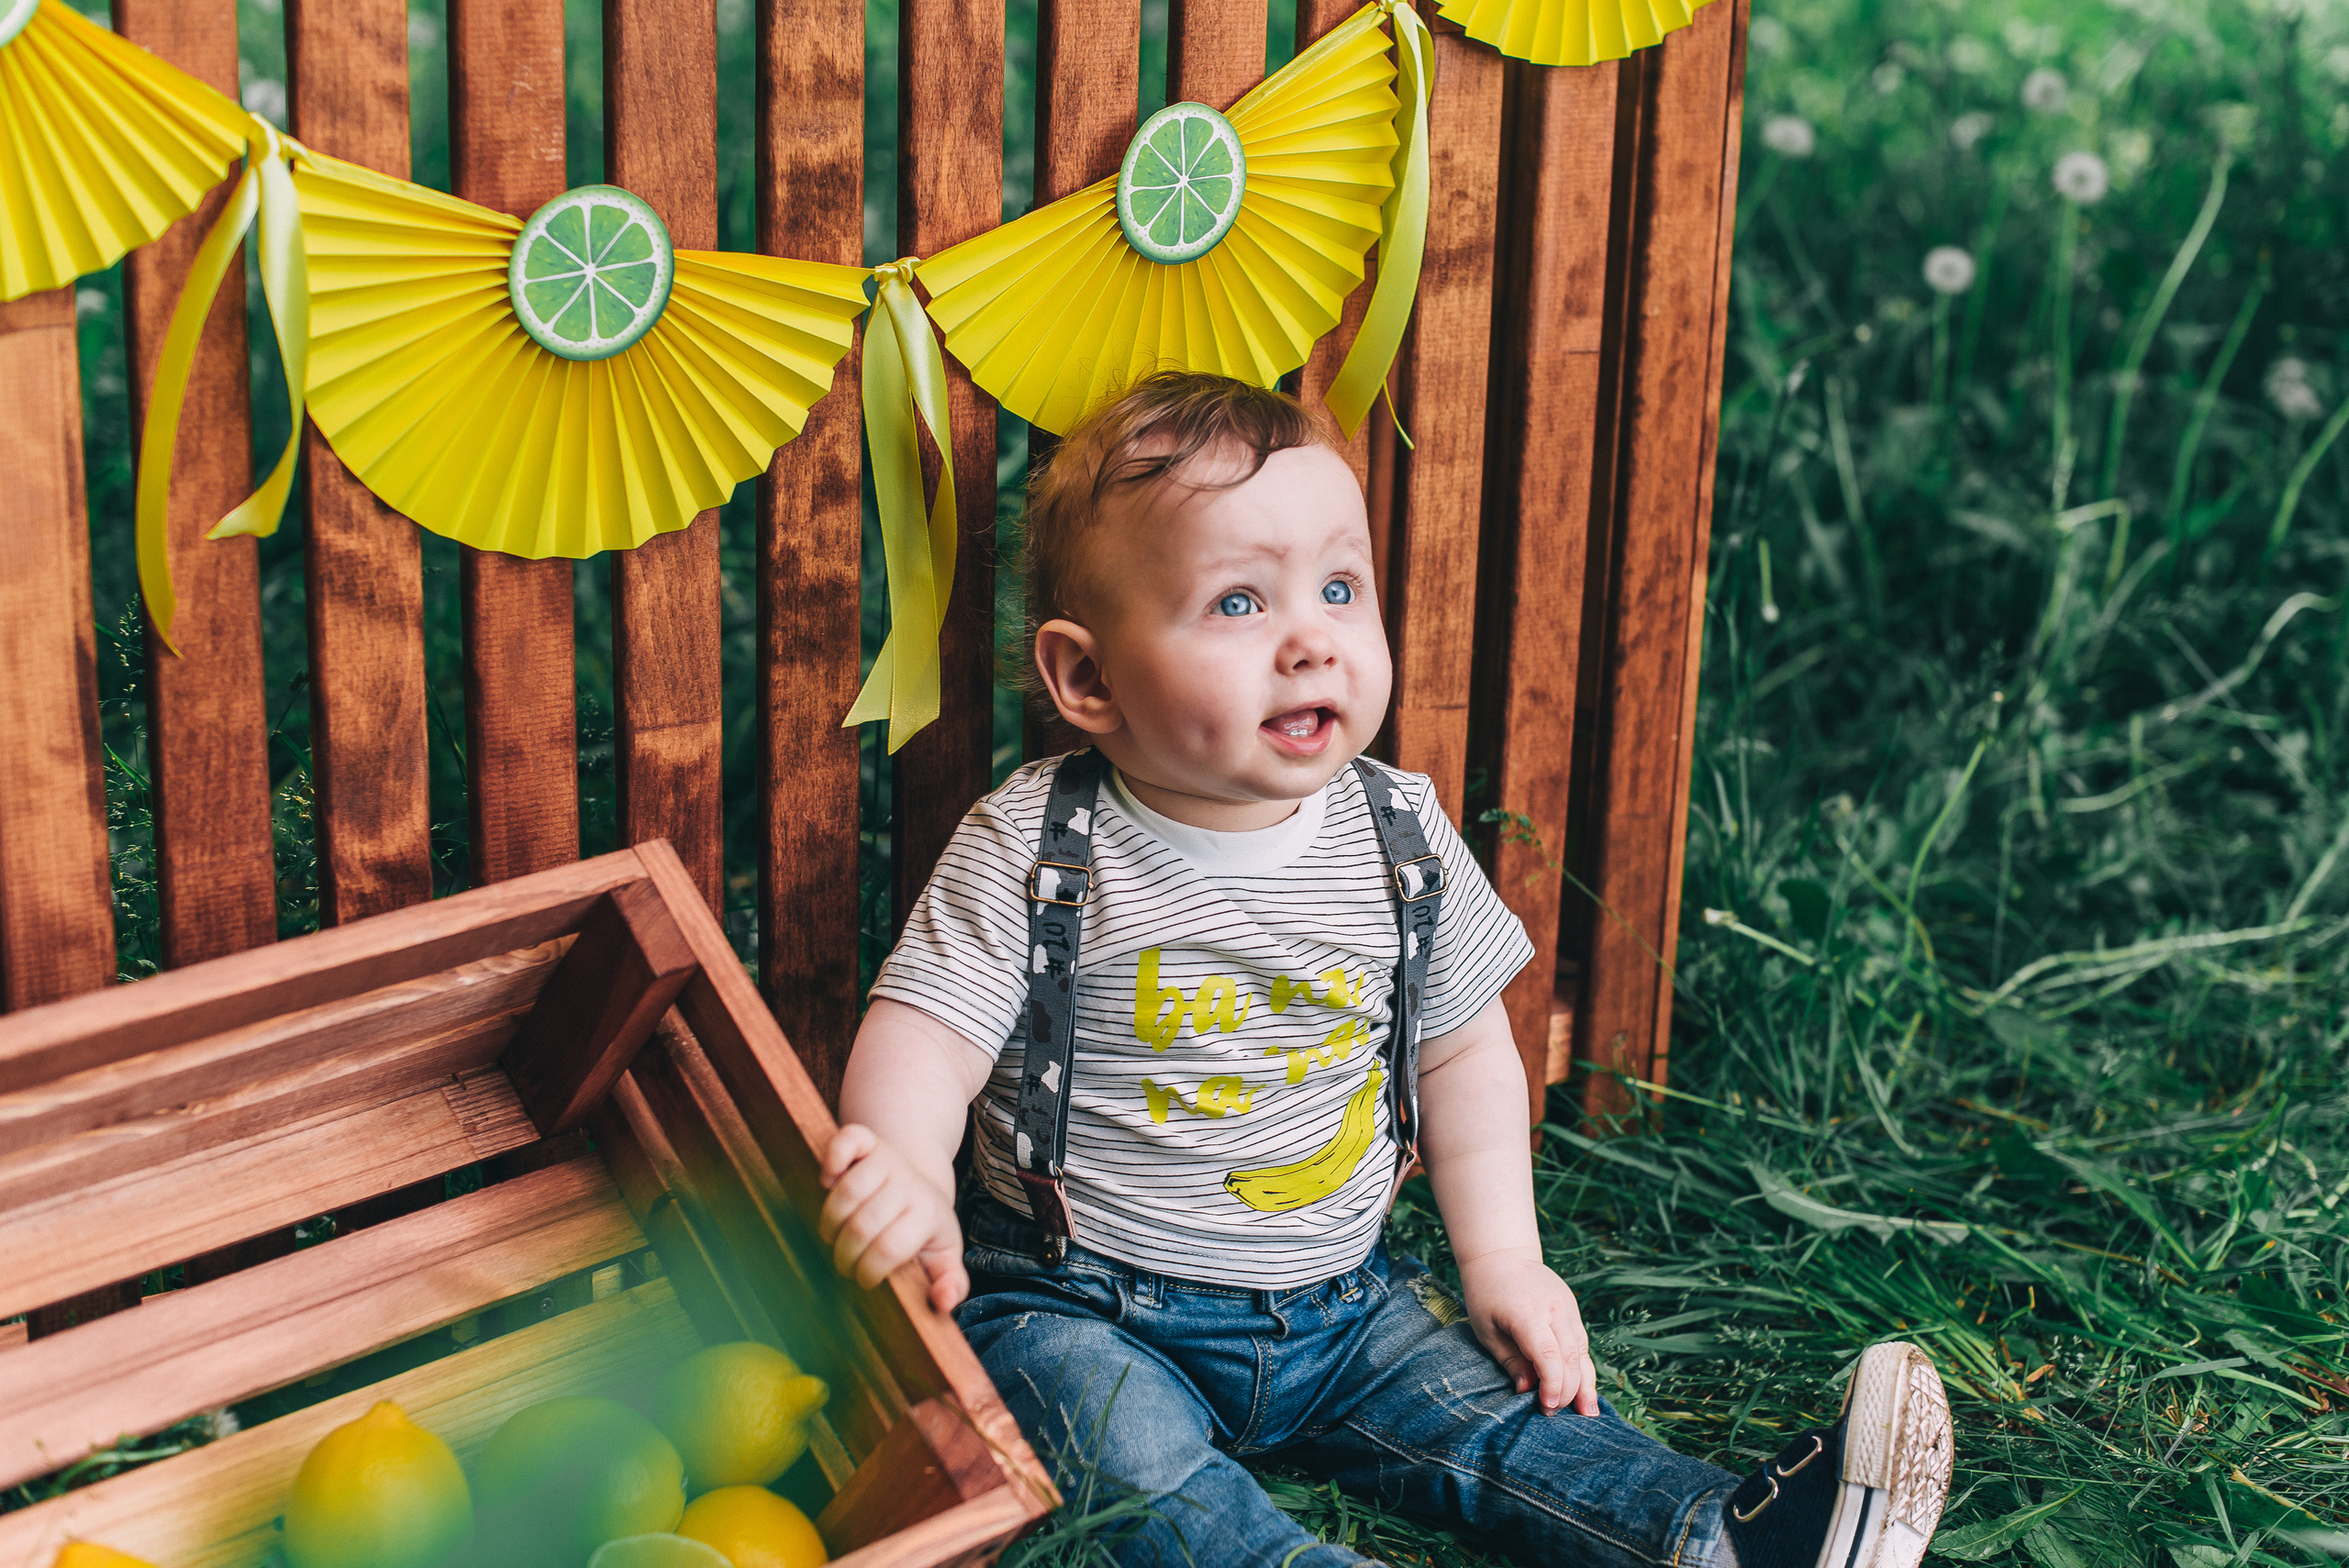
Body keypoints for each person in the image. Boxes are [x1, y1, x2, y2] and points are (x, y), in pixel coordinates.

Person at [816, 372, 1952, 1568]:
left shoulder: (1396, 831)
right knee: (1128, 1458)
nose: (1312, 636)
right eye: (1240, 600)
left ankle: (1726, 1536)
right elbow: (925, 1033)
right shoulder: (1040, 843)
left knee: (1498, 1420)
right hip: (1080, 1301)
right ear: (1088, 678)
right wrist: (904, 1166)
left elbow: (1464, 1048)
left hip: (1342, 1305)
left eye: (1340, 587)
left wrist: (1504, 1257)